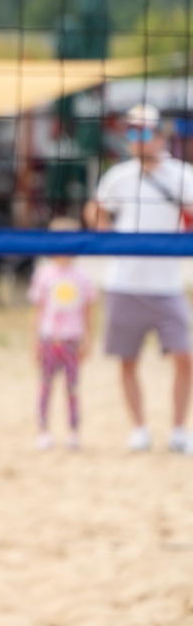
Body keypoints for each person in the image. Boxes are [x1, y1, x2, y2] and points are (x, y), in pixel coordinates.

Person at [84, 103, 193, 453]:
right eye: (131, 132)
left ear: (161, 136)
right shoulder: (119, 175)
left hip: (167, 284)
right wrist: (109, 241)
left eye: (143, 131)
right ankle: (140, 429)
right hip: (124, 283)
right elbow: (95, 209)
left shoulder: (182, 175)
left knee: (185, 357)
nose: (136, 138)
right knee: (127, 359)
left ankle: (178, 431)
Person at [27, 216, 96, 451]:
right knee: (45, 387)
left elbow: (88, 311)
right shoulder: (43, 273)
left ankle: (73, 432)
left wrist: (88, 340)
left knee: (72, 388)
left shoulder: (82, 276)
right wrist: (34, 342)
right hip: (49, 339)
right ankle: (43, 430)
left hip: (72, 341)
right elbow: (37, 311)